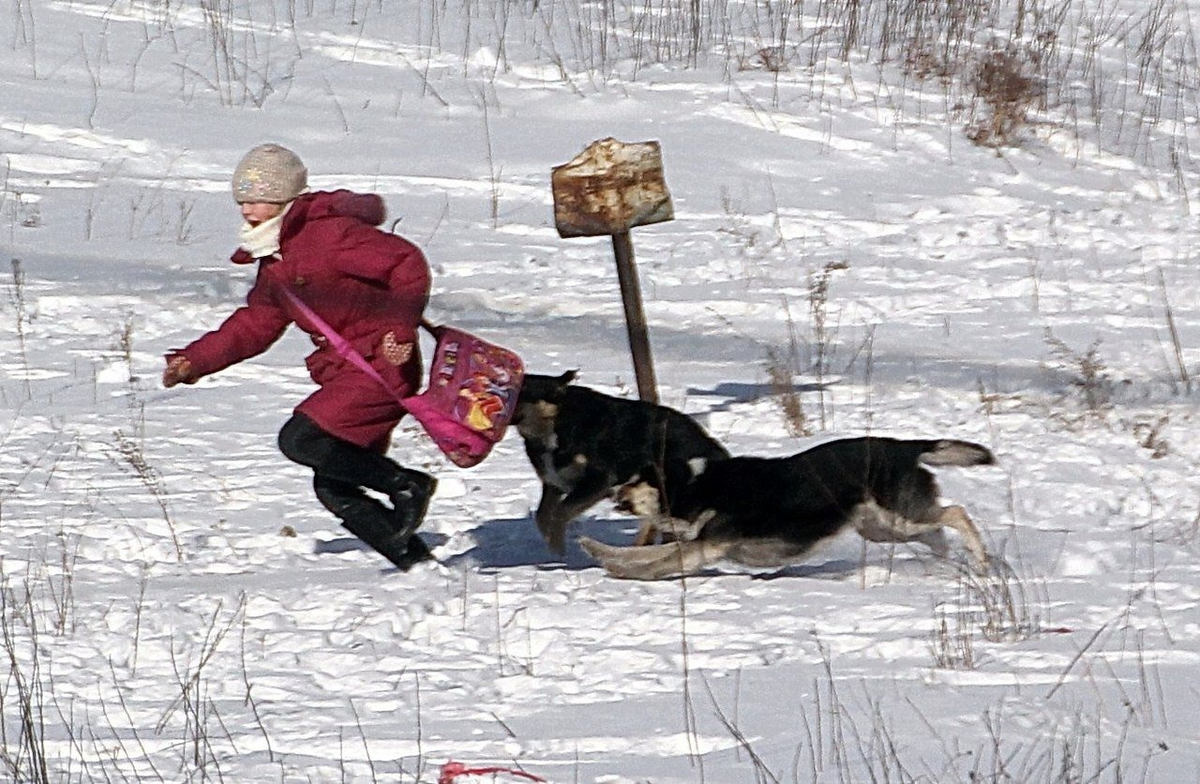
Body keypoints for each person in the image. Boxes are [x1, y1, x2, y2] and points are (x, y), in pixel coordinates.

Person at [163, 143, 437, 569]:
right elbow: (258, 322)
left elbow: (406, 263)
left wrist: (399, 328)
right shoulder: (276, 256)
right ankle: (418, 566)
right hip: (346, 370)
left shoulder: (328, 235)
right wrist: (195, 360)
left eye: (258, 199)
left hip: (380, 363)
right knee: (335, 487)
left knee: (301, 439)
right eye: (242, 200)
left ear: (284, 197)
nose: (248, 210)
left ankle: (410, 485)